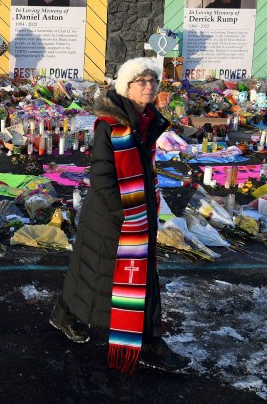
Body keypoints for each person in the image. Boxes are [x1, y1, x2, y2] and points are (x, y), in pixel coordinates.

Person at [49, 57, 191, 374]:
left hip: (134, 210)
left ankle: (144, 338)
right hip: (112, 216)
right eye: (142, 81)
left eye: (153, 80)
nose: (150, 86)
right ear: (126, 87)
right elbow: (102, 179)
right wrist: (126, 215)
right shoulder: (110, 127)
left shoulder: (147, 120)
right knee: (103, 274)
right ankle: (143, 340)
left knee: (103, 274)